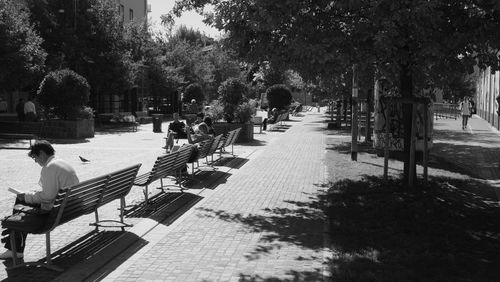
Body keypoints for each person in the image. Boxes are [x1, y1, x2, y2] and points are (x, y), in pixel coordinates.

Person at [0, 140, 79, 259]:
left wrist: (27, 196)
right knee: (25, 198)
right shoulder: (61, 162)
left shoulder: (49, 167)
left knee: (21, 201)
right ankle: (13, 242)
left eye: (35, 157)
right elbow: (51, 192)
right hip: (69, 207)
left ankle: (15, 248)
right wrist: (32, 194)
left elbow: (48, 197)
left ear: (41, 153)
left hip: (56, 211)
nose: (36, 161)